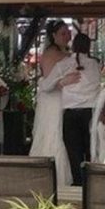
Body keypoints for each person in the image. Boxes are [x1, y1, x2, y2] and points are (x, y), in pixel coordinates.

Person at [30, 20, 78, 187]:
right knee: (53, 133)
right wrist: (65, 81)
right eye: (63, 33)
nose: (67, 36)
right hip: (52, 100)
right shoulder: (51, 53)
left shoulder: (67, 52)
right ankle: (51, 176)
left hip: (65, 99)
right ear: (53, 36)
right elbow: (48, 82)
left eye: (68, 33)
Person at [61, 33, 101, 184]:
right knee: (90, 149)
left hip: (70, 112)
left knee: (73, 152)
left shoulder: (65, 63)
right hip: (90, 111)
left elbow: (49, 82)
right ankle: (90, 181)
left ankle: (78, 182)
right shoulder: (95, 64)